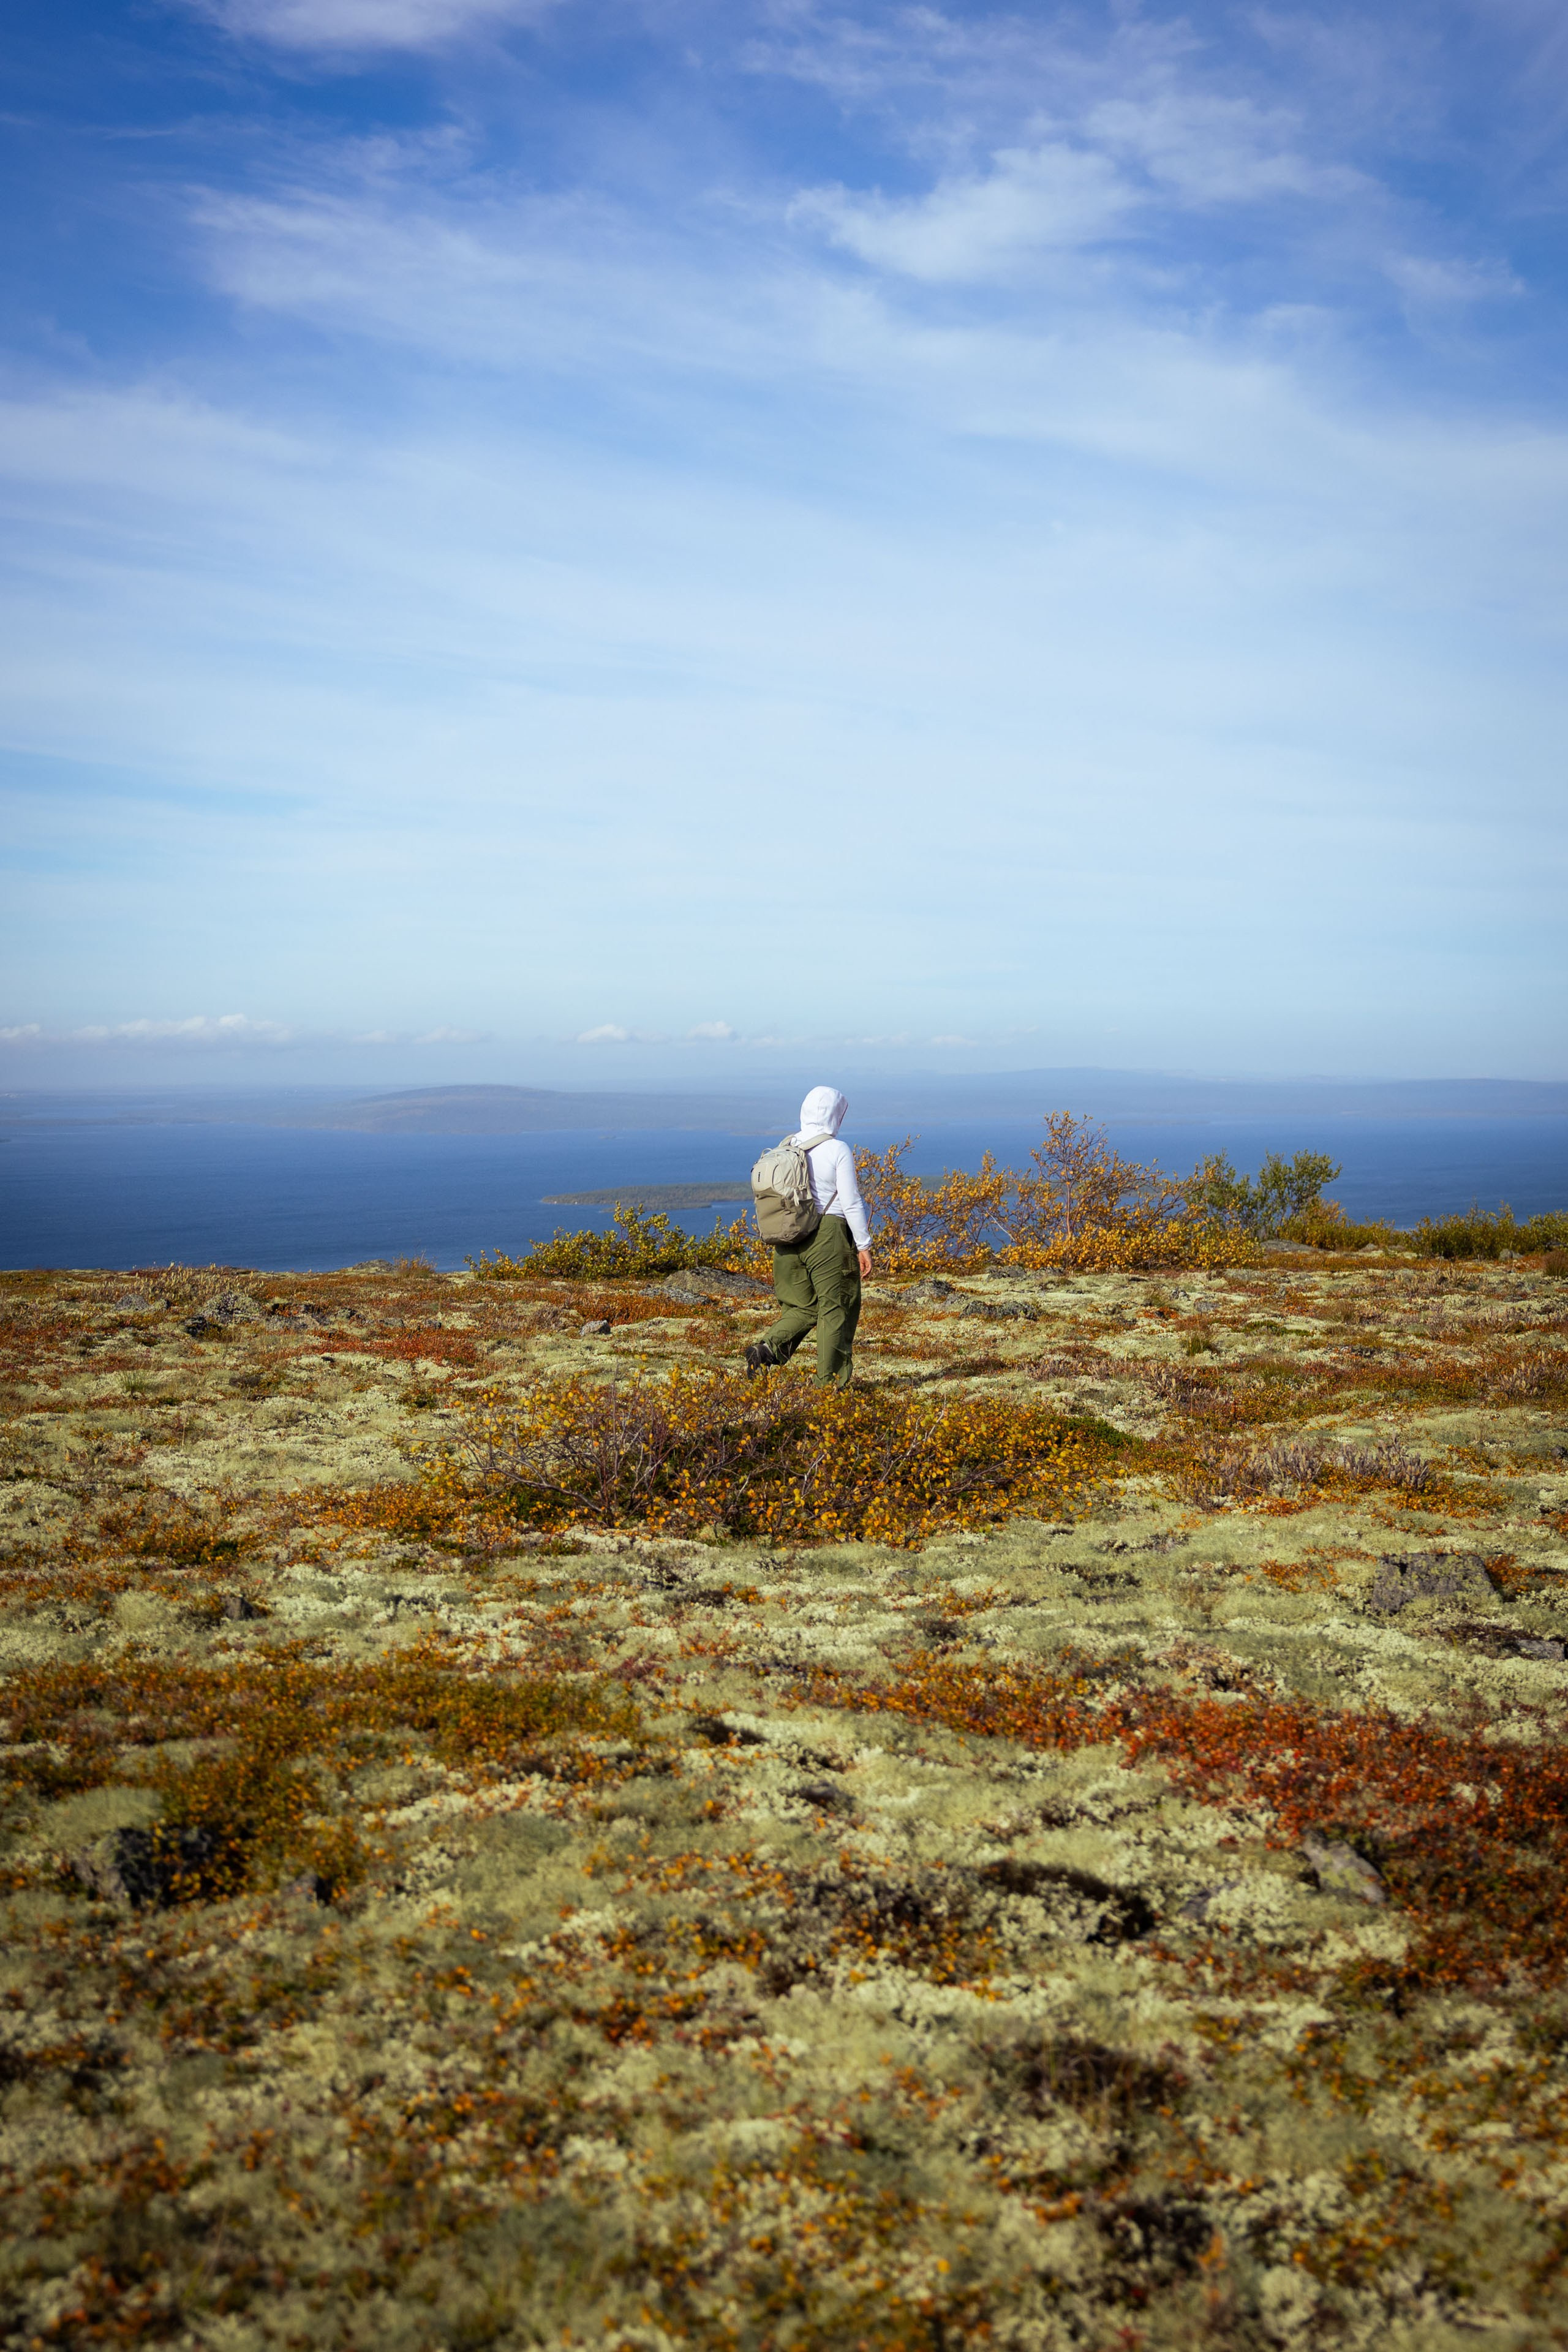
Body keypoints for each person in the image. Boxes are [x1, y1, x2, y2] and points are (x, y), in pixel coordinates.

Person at [744, 1086, 872, 1387]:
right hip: (828, 1235)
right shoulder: (837, 1149)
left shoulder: (787, 1145)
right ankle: (828, 1387)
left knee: (802, 1307)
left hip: (787, 1235)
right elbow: (851, 1201)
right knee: (836, 1308)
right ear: (835, 1115)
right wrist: (864, 1245)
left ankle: (766, 1350)